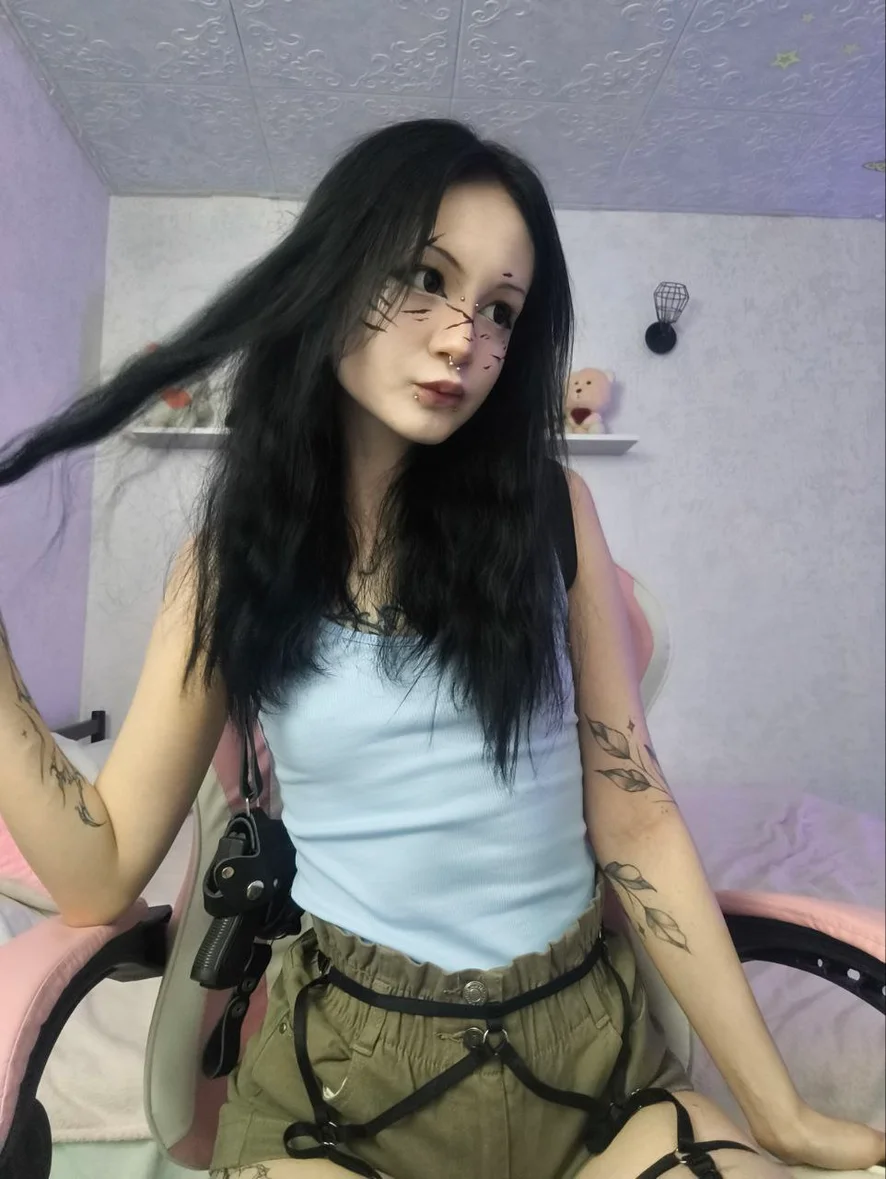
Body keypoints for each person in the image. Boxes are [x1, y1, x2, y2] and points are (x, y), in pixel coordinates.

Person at [0, 119, 883, 1179]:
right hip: (341, 1091)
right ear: (333, 273)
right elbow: (98, 873)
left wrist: (779, 1112)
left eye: (501, 309)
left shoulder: (553, 515)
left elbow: (637, 815)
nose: (465, 336)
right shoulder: (228, 566)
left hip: (589, 1068)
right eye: (425, 278)